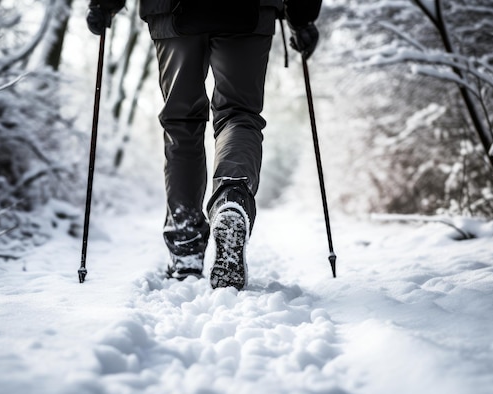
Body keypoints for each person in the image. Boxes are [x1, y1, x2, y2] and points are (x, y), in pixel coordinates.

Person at [87, 0, 322, 290]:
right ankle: (230, 197)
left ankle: (185, 243)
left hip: (170, 10)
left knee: (181, 122)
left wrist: (103, 4)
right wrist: (302, 17)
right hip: (250, 11)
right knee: (239, 114)